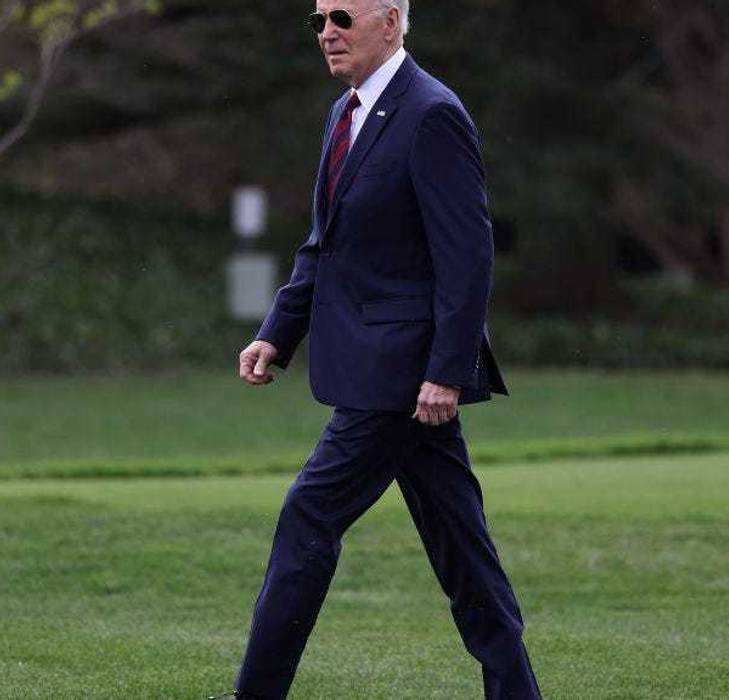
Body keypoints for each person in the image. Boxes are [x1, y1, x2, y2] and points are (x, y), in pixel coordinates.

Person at [209, 1, 544, 698]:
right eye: (316, 21)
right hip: (377, 370)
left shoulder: (431, 113)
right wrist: (277, 331)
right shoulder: (345, 114)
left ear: (390, 21)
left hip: (400, 376)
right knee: (462, 550)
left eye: (341, 16)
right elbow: (323, 246)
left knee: (308, 515)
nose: (326, 31)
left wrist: (447, 371)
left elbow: (467, 255)